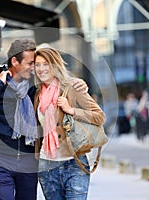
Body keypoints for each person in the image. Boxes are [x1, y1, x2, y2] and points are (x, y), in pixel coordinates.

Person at [0, 39, 87, 200]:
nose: (34, 68)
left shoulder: (36, 85)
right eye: (30, 63)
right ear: (15, 61)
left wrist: (79, 84)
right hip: (0, 159)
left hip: (29, 161)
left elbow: (59, 83)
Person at [33, 47, 106, 200]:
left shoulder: (73, 87)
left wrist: (71, 110)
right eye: (37, 64)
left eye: (46, 64)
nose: (41, 69)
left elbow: (99, 116)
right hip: (47, 166)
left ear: (55, 65)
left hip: (75, 164)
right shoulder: (37, 94)